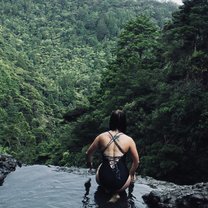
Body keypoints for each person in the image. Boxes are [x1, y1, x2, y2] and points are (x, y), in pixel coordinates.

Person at [86, 110, 139, 198]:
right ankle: (116, 194)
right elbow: (136, 161)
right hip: (121, 184)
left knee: (101, 165)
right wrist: (131, 173)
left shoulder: (101, 137)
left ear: (111, 121)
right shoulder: (129, 140)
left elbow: (88, 153)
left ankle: (107, 190)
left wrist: (90, 164)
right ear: (124, 123)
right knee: (131, 173)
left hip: (103, 181)